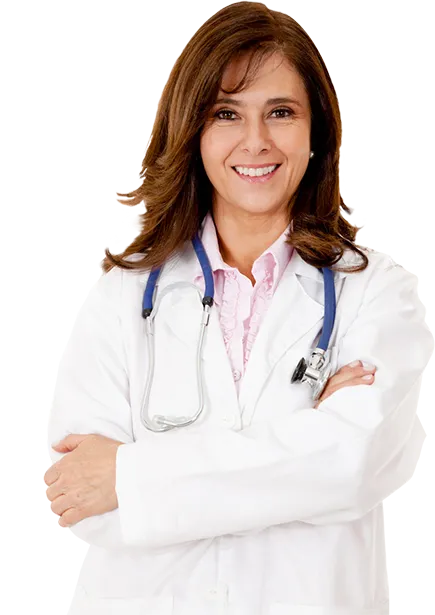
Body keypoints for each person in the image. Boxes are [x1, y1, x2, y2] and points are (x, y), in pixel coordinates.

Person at [45, 2, 434, 614]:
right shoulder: (122, 298)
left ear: (316, 131)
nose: (256, 141)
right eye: (226, 113)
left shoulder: (374, 290)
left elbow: (354, 465)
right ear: (192, 131)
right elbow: (83, 502)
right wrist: (305, 449)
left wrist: (133, 477)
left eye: (281, 112)